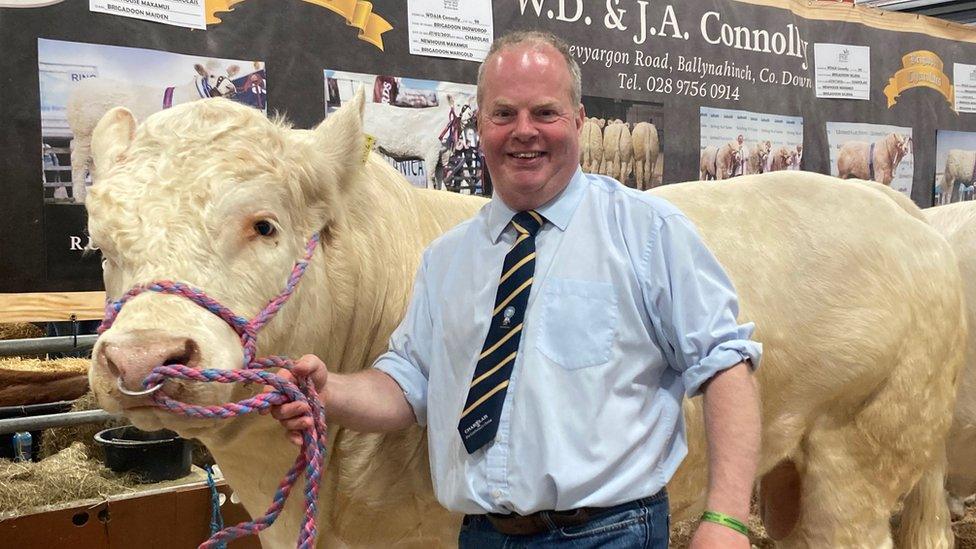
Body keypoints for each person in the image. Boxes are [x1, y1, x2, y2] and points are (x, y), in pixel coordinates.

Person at [272, 30, 761, 548]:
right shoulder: (446, 259)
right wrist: (328, 391)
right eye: (503, 114)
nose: (523, 131)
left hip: (609, 533)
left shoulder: (646, 233)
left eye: (544, 113)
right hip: (482, 535)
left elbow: (725, 363)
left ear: (578, 120)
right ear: (479, 124)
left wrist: (726, 520)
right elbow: (410, 384)